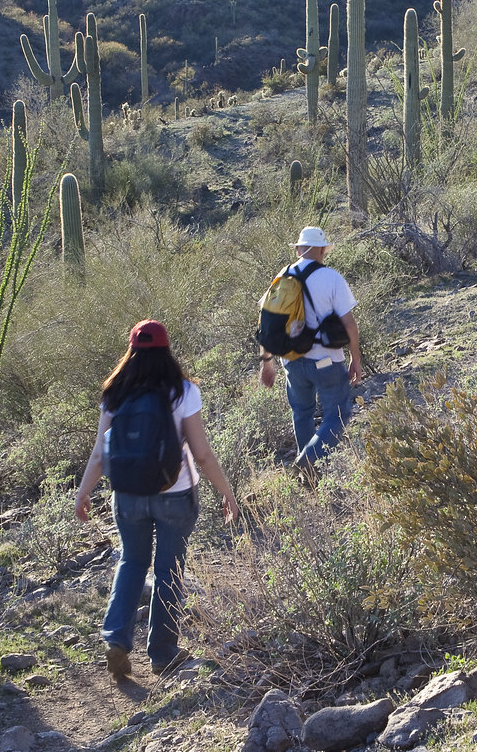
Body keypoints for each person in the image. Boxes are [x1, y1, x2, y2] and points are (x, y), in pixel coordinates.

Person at [74, 320, 239, 681]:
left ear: (131, 351)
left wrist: (83, 492)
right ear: (167, 350)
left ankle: (116, 639)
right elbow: (203, 454)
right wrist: (227, 493)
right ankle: (163, 653)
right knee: (168, 570)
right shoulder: (181, 391)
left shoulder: (115, 392)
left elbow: (100, 455)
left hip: (127, 496)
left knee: (131, 562)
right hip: (175, 494)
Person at [257, 225, 362, 466]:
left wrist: (266, 363)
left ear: (298, 250)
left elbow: (266, 322)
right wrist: (355, 359)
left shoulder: (281, 277)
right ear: (323, 250)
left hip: (290, 361)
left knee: (302, 413)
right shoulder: (332, 278)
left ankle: (309, 475)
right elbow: (350, 325)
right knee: (339, 414)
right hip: (326, 361)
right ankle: (308, 462)